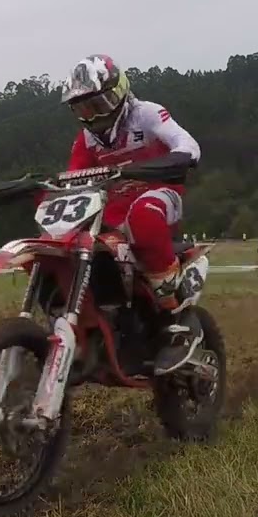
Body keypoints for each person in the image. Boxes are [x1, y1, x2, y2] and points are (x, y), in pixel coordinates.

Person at [59, 54, 202, 375]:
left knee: (143, 216)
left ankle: (174, 316)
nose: (93, 115)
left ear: (120, 91)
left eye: (99, 103)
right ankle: (83, 321)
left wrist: (171, 162)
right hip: (110, 214)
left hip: (161, 197)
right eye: (84, 108)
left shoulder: (147, 115)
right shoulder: (87, 139)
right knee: (65, 236)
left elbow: (188, 145)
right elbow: (73, 181)